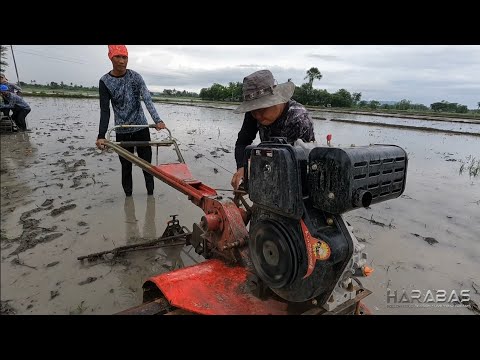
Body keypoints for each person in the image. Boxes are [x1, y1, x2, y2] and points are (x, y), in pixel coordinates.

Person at [95, 45, 166, 197]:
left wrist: (157, 120)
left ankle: (150, 196)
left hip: (140, 128)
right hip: (121, 130)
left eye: (124, 57)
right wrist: (101, 135)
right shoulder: (105, 81)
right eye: (117, 57)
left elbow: (147, 99)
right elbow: (105, 110)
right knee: (126, 167)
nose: (121, 61)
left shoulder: (136, 77)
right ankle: (129, 199)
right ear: (110, 58)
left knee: (147, 167)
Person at [231, 69, 316, 190]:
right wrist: (242, 167)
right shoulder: (254, 113)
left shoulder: (299, 119)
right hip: (268, 165)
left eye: (262, 109)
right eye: (253, 110)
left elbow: (306, 165)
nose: (258, 116)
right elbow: (243, 142)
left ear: (275, 100)